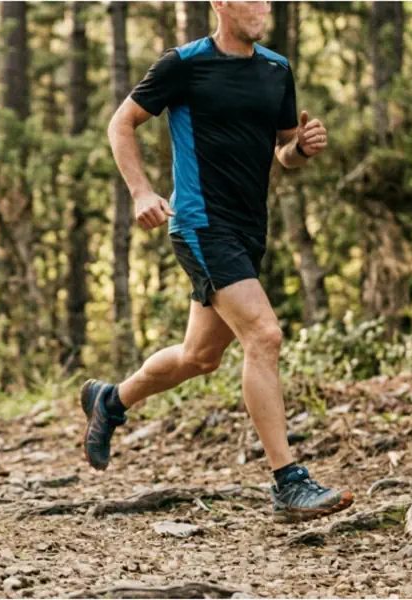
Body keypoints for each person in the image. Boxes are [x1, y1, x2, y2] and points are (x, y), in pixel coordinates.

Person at [79, 0, 353, 524]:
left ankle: (110, 401)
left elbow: (282, 152)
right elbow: (121, 124)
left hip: (249, 230)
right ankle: (288, 482)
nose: (263, 8)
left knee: (199, 356)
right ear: (221, 4)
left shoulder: (277, 69)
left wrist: (303, 149)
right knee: (264, 335)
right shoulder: (183, 63)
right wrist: (141, 192)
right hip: (202, 223)